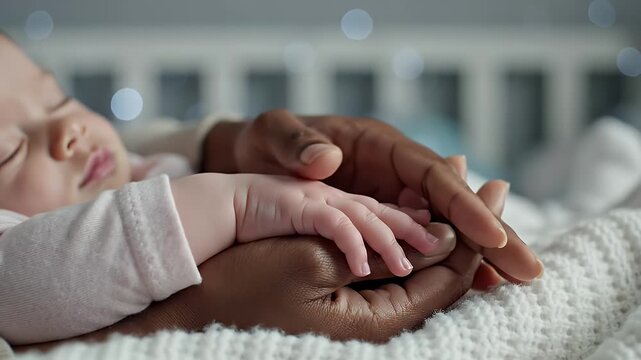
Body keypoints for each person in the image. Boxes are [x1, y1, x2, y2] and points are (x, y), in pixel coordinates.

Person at [0, 32, 542, 350]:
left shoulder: (150, 166)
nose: (64, 130)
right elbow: (20, 275)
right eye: (7, 151)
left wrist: (374, 215)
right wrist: (238, 203)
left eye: (56, 100)